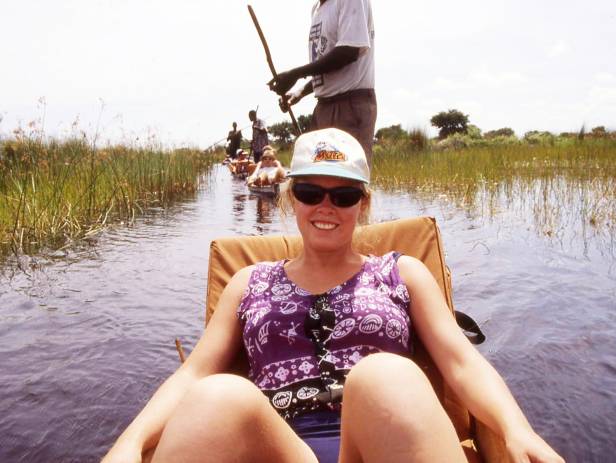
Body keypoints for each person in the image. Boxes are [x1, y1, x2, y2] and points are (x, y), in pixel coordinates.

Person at [102, 128, 564, 463]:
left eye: (344, 196)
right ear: (290, 198)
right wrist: (130, 443)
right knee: (216, 394)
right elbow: (193, 374)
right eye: (309, 191)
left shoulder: (401, 272)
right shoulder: (249, 282)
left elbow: (461, 361)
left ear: (363, 203)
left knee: (383, 375)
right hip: (279, 448)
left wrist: (515, 428)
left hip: (380, 443)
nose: (326, 206)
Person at [268, 0, 377, 165]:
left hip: (349, 106)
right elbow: (326, 65)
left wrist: (296, 74)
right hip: (323, 106)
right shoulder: (317, 9)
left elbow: (348, 52)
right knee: (316, 178)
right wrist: (300, 92)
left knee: (346, 180)